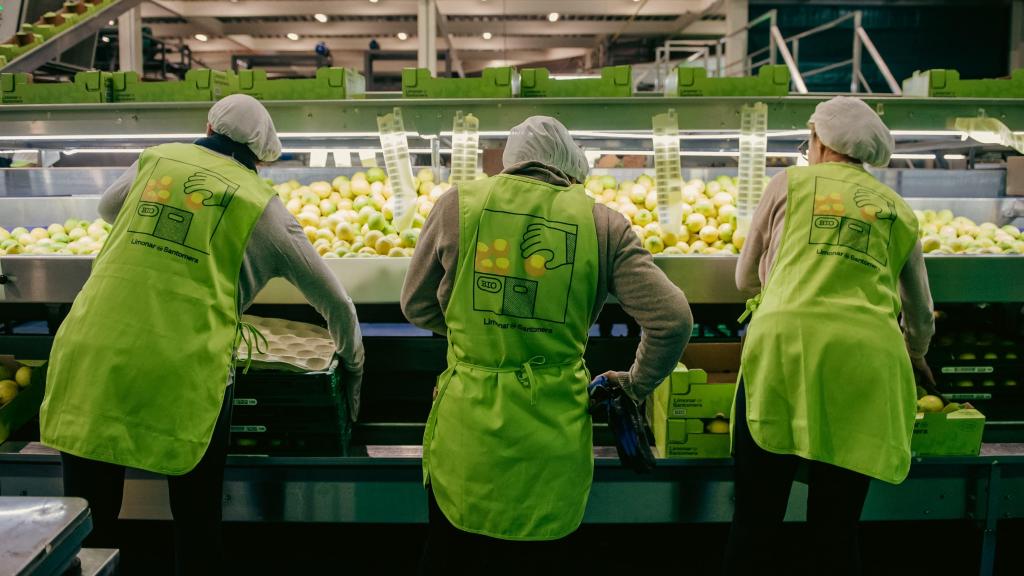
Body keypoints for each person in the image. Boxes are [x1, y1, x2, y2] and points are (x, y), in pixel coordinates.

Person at [39, 94, 364, 575]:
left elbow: (109, 209)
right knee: (196, 521)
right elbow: (334, 300)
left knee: (88, 521)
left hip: (93, 346)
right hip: (182, 364)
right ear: (262, 156)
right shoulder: (262, 207)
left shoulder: (158, 159)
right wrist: (354, 368)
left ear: (207, 124)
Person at [401, 116, 692, 574]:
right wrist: (634, 385)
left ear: (510, 164)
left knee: (452, 557)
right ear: (571, 173)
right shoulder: (602, 223)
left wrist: (477, 336)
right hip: (551, 437)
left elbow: (415, 305)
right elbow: (673, 320)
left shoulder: (458, 205)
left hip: (468, 434)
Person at [725, 96, 936, 576]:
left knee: (756, 519)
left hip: (784, 351)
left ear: (817, 139)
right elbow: (920, 312)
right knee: (835, 526)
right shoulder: (898, 210)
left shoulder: (788, 183)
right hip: (866, 361)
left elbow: (743, 280)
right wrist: (916, 353)